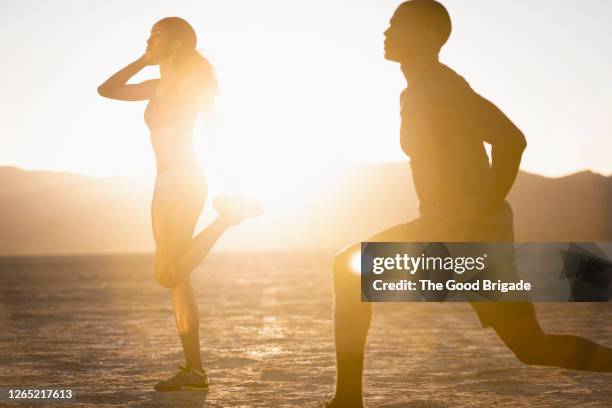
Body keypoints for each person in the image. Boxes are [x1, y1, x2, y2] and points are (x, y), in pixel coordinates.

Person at [326, 1, 612, 406]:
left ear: (427, 36)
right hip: (455, 228)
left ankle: (348, 401)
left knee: (348, 268)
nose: (386, 32)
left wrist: (484, 206)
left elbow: (512, 139)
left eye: (397, 25)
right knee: (532, 348)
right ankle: (348, 400)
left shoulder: (443, 87)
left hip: (468, 230)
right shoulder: (418, 89)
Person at [98, 17, 262, 391]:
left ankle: (226, 218)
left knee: (167, 274)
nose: (148, 38)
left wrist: (236, 187)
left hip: (186, 179)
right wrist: (143, 60)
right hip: (162, 183)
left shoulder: (193, 86)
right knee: (177, 279)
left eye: (156, 35)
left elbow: (217, 135)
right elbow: (106, 90)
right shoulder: (157, 86)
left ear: (174, 45)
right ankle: (195, 372)